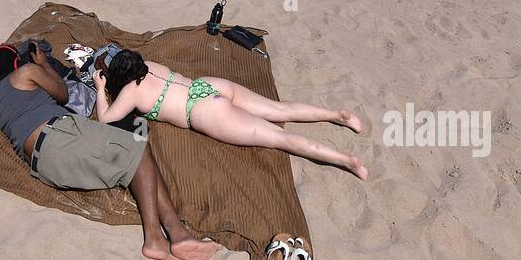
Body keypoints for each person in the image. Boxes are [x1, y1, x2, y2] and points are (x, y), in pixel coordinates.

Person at [0, 44, 219, 260]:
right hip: (59, 136)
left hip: (44, 166)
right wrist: (42, 63)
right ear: (17, 63)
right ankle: (156, 238)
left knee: (134, 153)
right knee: (138, 142)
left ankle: (177, 232)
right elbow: (63, 93)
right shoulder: (26, 72)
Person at [94, 51, 367, 179]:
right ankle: (336, 114)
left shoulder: (130, 91)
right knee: (279, 109)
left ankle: (347, 160)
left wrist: (101, 88)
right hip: (208, 85)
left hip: (204, 112)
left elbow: (106, 118)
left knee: (280, 138)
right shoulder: (150, 65)